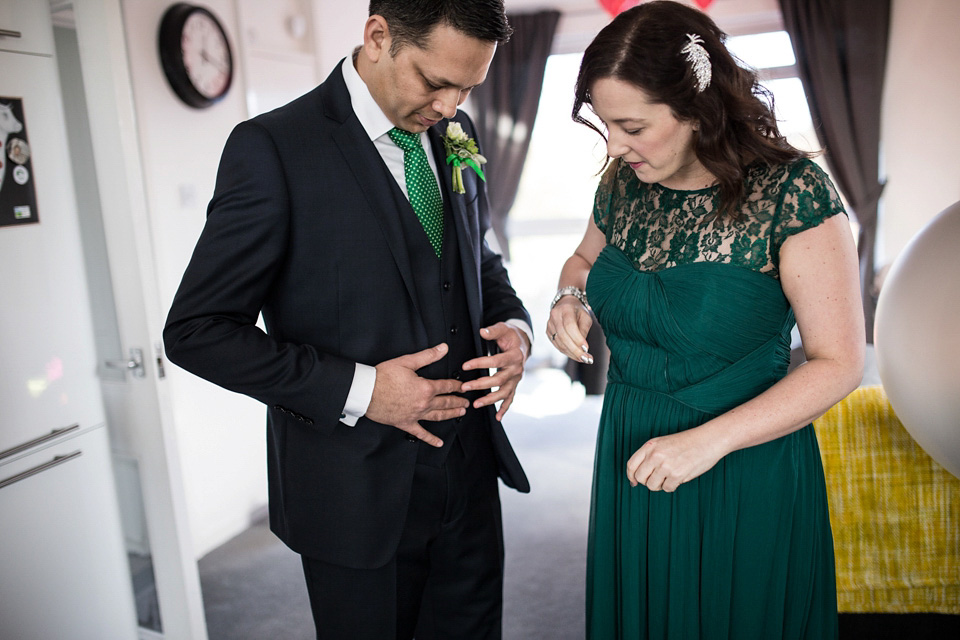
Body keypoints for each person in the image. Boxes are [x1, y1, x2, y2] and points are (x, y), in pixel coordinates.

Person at [163, 2, 533, 638]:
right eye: (435, 81)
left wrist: (514, 330)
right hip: (353, 495)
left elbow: (481, 259)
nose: (451, 107)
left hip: (470, 480)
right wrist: (363, 390)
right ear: (378, 36)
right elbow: (197, 330)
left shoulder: (456, 133)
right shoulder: (273, 148)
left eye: (468, 85)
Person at [546, 2, 864, 638]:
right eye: (606, 125)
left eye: (632, 126)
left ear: (696, 109)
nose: (615, 145)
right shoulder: (622, 184)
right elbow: (582, 261)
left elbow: (840, 364)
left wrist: (709, 441)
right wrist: (570, 300)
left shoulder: (790, 193)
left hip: (742, 460)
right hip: (632, 447)